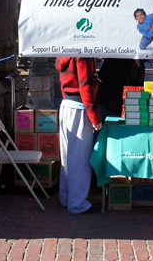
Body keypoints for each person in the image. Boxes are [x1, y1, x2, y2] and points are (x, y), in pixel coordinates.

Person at [55, 57, 102, 213]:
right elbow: (85, 86)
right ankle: (77, 203)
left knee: (67, 157)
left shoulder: (65, 52)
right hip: (79, 107)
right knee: (79, 159)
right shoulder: (83, 54)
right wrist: (95, 117)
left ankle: (67, 198)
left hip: (66, 104)